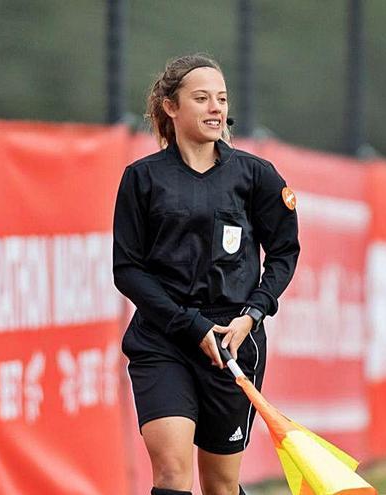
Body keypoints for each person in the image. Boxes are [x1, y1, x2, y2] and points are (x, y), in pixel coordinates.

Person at [113, 54, 300, 495]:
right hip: (164, 340)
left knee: (219, 485)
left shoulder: (256, 177)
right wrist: (189, 325)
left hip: (233, 346)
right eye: (201, 98)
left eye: (221, 98)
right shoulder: (141, 179)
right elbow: (127, 270)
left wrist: (251, 315)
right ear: (171, 107)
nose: (216, 107)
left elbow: (283, 253)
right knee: (173, 475)